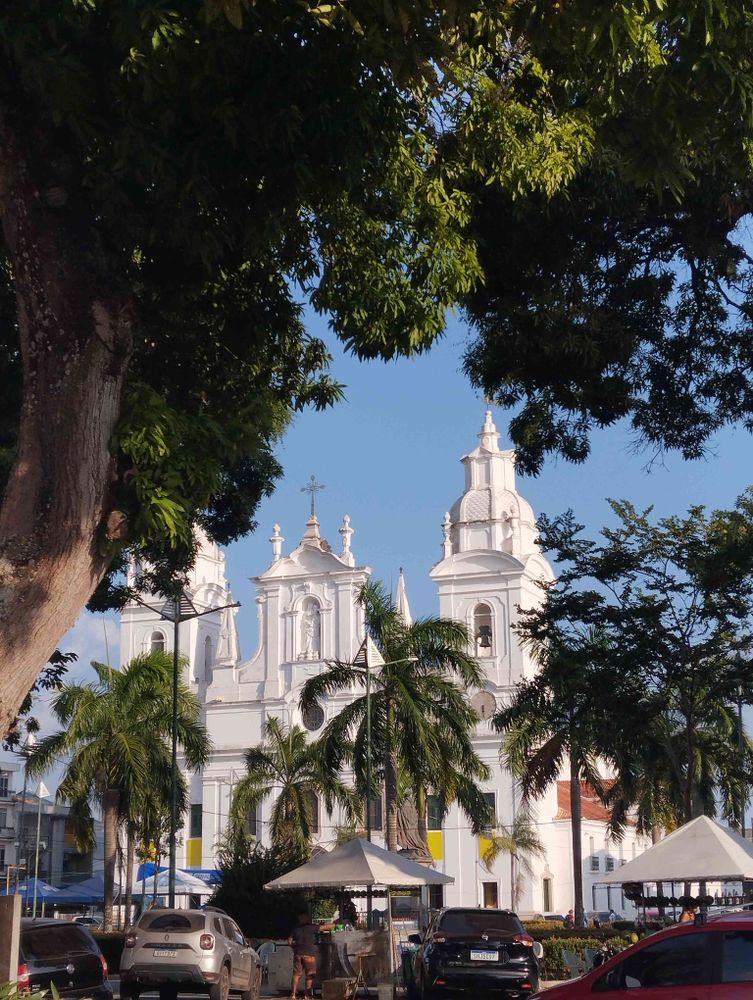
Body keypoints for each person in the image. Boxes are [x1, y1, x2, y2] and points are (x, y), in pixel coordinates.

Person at [288, 911, 335, 1000]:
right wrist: (335, 924)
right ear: (307, 919)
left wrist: (295, 948)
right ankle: (307, 995)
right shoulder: (312, 927)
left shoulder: (295, 929)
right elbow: (327, 927)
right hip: (309, 955)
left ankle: (293, 995)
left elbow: (289, 942)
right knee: (310, 975)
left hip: (298, 954)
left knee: (296, 975)